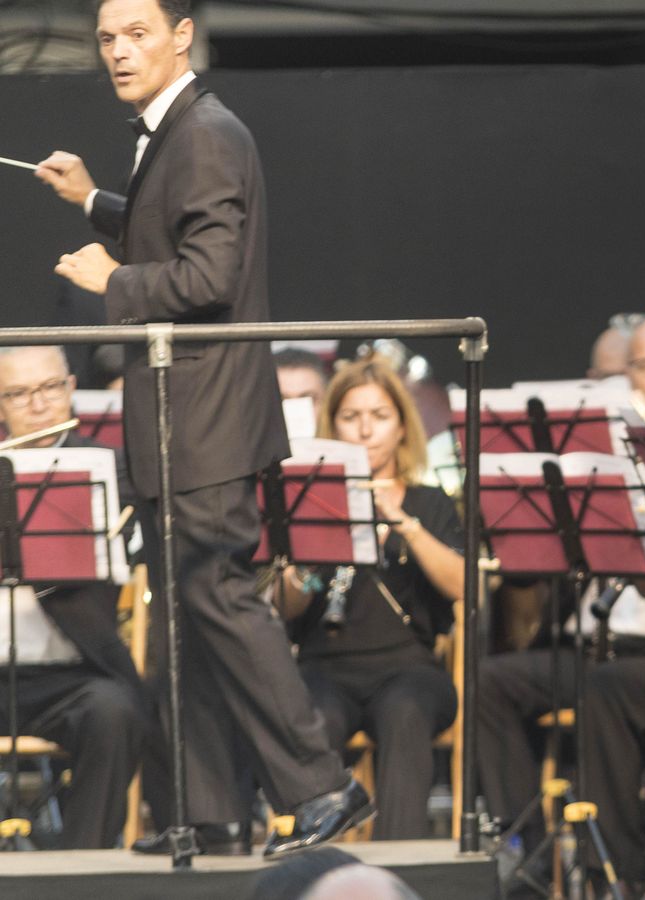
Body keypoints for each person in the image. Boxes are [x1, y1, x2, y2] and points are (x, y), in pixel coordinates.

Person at [33, 0, 365, 857]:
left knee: (217, 596)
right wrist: (95, 201)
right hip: (182, 419)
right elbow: (171, 230)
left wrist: (113, 281)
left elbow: (210, 274)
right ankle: (206, 811)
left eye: (137, 32)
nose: (117, 51)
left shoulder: (206, 131)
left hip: (206, 420)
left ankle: (322, 786)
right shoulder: (174, 131)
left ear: (183, 34)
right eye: (106, 37)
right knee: (187, 613)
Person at [475, 313, 645, 861]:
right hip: (581, 640)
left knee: (627, 691)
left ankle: (627, 862)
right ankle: (530, 849)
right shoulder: (597, 441)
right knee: (489, 683)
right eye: (640, 366)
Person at [278, 359, 464, 840]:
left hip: (410, 670)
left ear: (402, 426)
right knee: (309, 722)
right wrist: (306, 561)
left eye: (379, 416)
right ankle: (311, 870)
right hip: (325, 669)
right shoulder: (306, 502)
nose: (364, 430)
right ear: (332, 425)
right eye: (350, 416)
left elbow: (465, 588)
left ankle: (398, 869)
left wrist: (402, 522)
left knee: (405, 713)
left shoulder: (429, 502)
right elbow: (283, 610)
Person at [0, 345, 147, 849]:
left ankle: (83, 869)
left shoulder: (110, 470)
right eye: (17, 393)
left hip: (71, 674)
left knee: (115, 712)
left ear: (69, 390)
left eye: (48, 388)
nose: (37, 404)